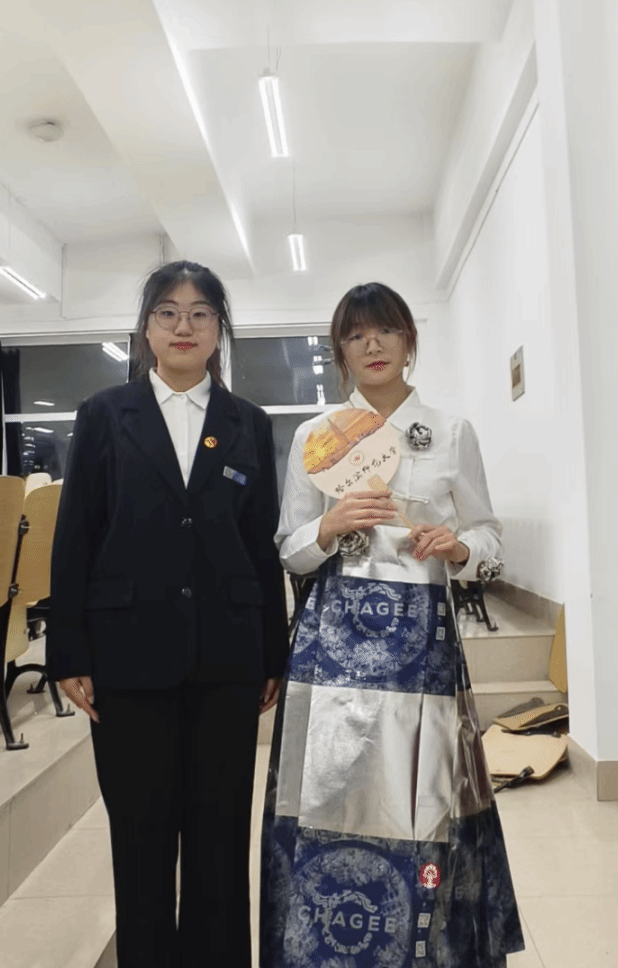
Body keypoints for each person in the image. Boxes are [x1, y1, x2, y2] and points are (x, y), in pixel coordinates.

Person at [262, 282, 524, 967]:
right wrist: (328, 526)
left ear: (409, 341)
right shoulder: (316, 437)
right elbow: (288, 547)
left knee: (429, 802)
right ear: (340, 352)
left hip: (421, 647)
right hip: (333, 648)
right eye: (355, 334)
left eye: (385, 330)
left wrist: (459, 547)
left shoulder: (450, 432)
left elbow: (489, 537)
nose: (371, 344)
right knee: (327, 800)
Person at [46, 260, 288, 968]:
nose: (184, 326)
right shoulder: (103, 415)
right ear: (146, 328)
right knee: (140, 838)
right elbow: (75, 536)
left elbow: (260, 542)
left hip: (228, 657)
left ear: (219, 330)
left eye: (201, 313)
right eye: (168, 312)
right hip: (126, 656)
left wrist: (272, 652)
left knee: (219, 840)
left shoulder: (248, 423)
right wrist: (69, 650)